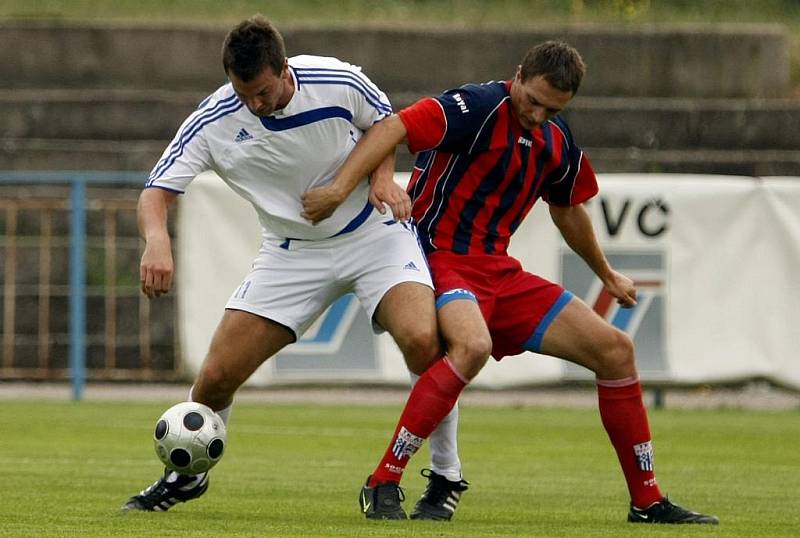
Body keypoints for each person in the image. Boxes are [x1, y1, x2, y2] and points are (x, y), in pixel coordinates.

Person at [302, 41, 719, 524]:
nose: (538, 115)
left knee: (616, 349)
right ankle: (384, 479)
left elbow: (567, 209)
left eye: (552, 109)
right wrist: (345, 188)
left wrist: (605, 273)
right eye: (533, 100)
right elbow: (394, 124)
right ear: (518, 75)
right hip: (436, 257)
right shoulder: (475, 107)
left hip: (498, 271)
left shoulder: (556, 140)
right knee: (472, 345)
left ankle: (647, 501)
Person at [121, 15, 466, 518]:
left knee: (422, 340)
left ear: (285, 70)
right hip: (293, 253)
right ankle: (185, 478)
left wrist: (381, 181)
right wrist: (157, 241)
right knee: (215, 378)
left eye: (263, 91)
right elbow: (157, 192)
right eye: (244, 94)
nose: (255, 104)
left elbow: (385, 124)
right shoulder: (214, 118)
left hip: (375, 236)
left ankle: (445, 475)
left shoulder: (337, 79)